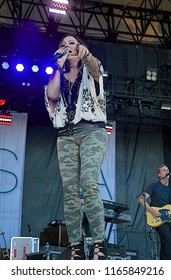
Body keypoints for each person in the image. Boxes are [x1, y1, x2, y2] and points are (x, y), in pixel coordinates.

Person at [44, 34, 108, 260]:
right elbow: (51, 95)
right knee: (70, 191)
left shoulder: (90, 67)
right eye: (62, 45)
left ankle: (99, 244)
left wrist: (86, 55)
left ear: (80, 46)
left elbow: (96, 69)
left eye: (71, 43)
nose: (66, 46)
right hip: (66, 135)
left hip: (92, 131)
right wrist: (57, 68)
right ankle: (76, 246)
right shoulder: (58, 74)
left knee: (89, 184)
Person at [138, 163, 171, 260]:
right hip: (157, 217)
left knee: (166, 242)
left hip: (170, 218)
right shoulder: (154, 186)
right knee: (169, 240)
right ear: (159, 174)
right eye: (164, 170)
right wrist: (152, 211)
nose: (166, 171)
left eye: (167, 170)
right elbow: (141, 199)